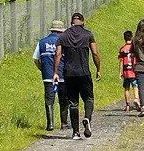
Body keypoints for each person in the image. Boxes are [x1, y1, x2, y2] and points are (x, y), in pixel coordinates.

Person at [53, 13, 101, 141]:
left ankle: (75, 132)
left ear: (71, 22)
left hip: (69, 73)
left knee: (73, 102)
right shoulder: (88, 34)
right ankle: (87, 118)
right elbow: (95, 53)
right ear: (83, 22)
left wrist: (55, 72)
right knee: (89, 98)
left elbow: (58, 54)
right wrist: (98, 69)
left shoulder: (63, 36)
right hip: (84, 72)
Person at [33, 20, 69, 131]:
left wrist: (42, 68)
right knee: (64, 99)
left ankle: (50, 124)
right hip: (62, 74)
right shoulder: (65, 42)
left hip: (48, 75)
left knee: (49, 100)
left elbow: (35, 58)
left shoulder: (42, 42)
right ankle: (64, 123)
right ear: (61, 31)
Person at [118, 30, 140, 112]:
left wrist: (120, 72)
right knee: (135, 86)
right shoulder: (134, 48)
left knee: (126, 88)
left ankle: (127, 105)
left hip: (125, 71)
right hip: (133, 70)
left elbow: (121, 61)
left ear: (124, 38)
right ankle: (136, 99)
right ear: (132, 37)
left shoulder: (122, 49)